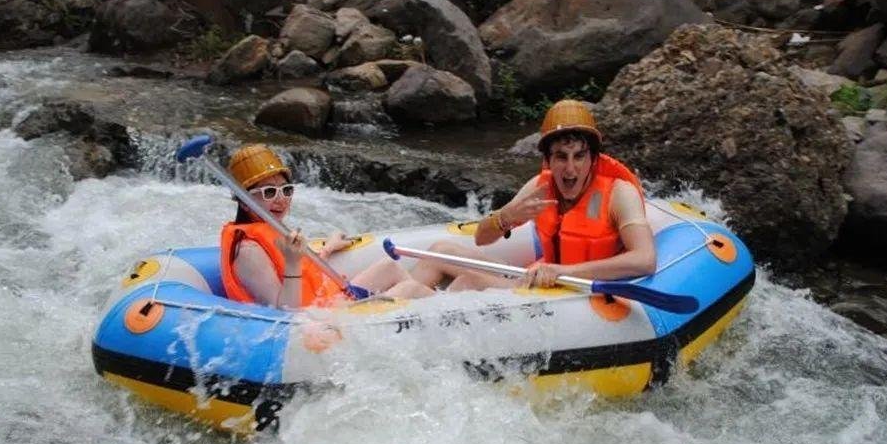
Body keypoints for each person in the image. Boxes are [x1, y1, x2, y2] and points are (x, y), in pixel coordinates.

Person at [411, 99, 656, 290]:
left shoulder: (619, 194)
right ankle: (391, 305)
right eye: (561, 156)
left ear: (593, 159)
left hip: (581, 293)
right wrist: (504, 217)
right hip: (540, 281)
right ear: (548, 160)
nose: (571, 169)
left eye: (579, 156)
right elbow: (481, 239)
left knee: (469, 282)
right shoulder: (539, 188)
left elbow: (645, 260)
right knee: (441, 249)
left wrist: (564, 272)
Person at [219, 145, 433, 309]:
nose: (281, 199)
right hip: (324, 320)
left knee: (390, 266)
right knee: (410, 289)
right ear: (245, 201)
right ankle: (454, 311)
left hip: (331, 299)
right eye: (269, 192)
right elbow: (286, 312)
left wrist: (327, 249)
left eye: (286, 190)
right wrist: (293, 262)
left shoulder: (270, 227)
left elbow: (306, 274)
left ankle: (440, 311)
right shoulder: (248, 251)